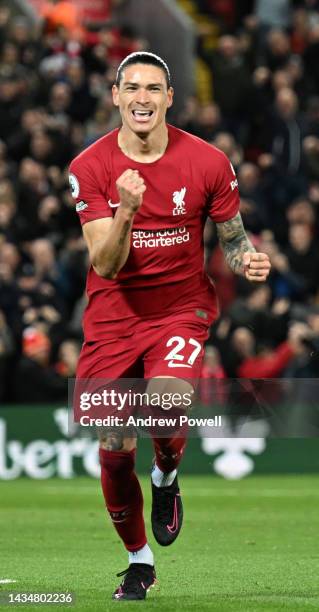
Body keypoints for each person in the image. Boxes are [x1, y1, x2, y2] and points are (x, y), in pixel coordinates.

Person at [69, 51, 271, 601]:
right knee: (112, 446)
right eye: (131, 87)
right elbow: (105, 264)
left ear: (169, 98)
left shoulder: (207, 161)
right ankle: (139, 561)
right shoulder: (89, 168)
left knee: (166, 403)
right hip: (113, 316)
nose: (141, 97)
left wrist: (247, 259)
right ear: (115, 96)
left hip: (180, 310)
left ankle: (165, 475)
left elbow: (232, 238)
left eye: (153, 89)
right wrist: (127, 210)